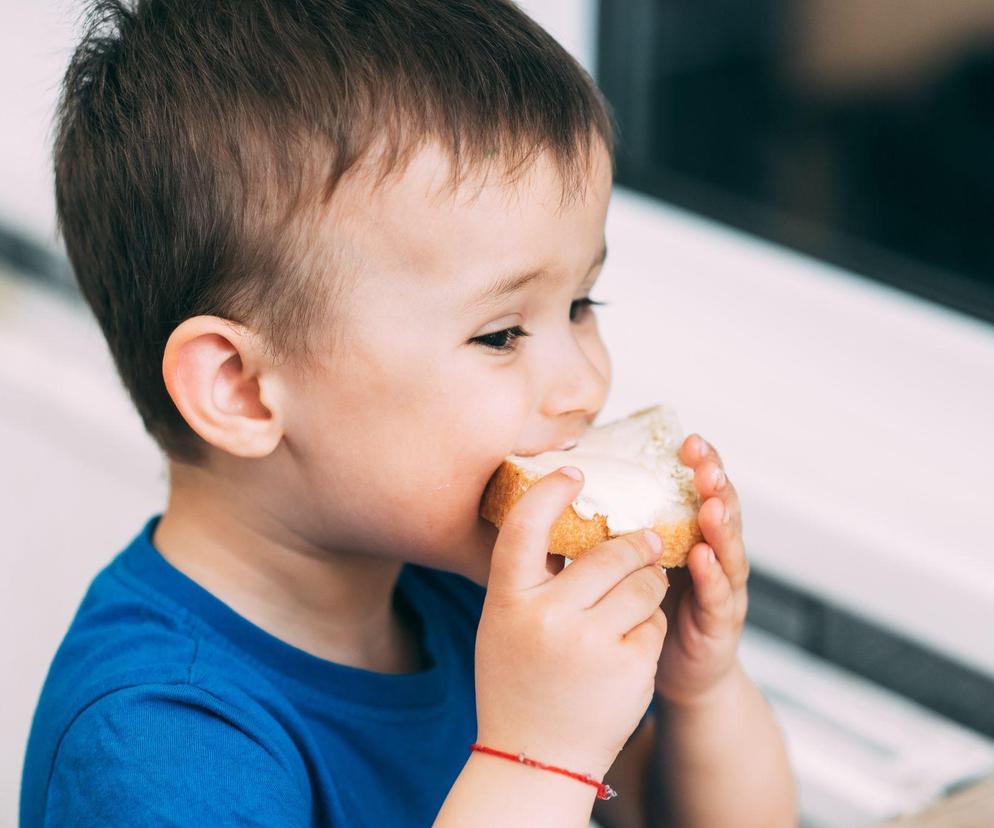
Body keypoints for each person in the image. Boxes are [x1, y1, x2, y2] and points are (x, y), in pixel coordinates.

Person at [21, 1, 795, 825]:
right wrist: (533, 759)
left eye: (580, 303)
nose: (585, 383)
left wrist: (694, 690)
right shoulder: (160, 749)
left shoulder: (473, 600)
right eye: (501, 334)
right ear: (242, 388)